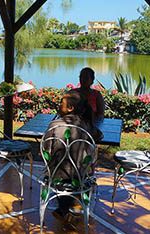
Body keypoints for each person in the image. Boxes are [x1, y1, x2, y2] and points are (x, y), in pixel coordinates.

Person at [44, 90, 95, 219]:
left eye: (61, 103)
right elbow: (92, 145)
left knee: (60, 170)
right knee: (83, 165)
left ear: (70, 108)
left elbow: (46, 150)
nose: (58, 105)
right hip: (80, 175)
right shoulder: (85, 126)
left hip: (56, 175)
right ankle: (74, 203)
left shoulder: (53, 125)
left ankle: (64, 208)